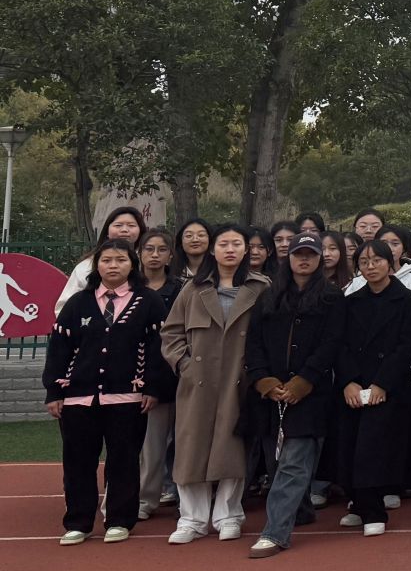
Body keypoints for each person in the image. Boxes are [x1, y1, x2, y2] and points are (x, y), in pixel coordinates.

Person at [43, 241, 170, 544]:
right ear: (97, 265)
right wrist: (54, 391)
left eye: (121, 260)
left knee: (124, 460)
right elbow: (59, 348)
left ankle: (120, 520)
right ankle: (78, 522)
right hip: (78, 397)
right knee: (78, 461)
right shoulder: (78, 303)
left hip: (128, 397)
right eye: (107, 260)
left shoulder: (148, 301)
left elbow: (158, 349)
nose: (113, 266)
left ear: (132, 264)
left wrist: (152, 386)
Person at [160, 225, 267, 542]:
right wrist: (184, 364)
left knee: (232, 448)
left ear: (246, 250)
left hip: (240, 380)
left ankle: (228, 515)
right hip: (198, 382)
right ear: (213, 250)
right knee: (192, 448)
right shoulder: (193, 288)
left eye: (237, 244)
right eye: (224, 244)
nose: (230, 249)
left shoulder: (261, 288)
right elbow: (171, 333)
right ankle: (191, 519)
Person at [244, 234, 344, 557]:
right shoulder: (269, 296)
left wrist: (305, 380)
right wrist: (263, 380)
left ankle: (275, 532)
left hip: (310, 395)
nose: (304, 259)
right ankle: (300, 511)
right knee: (275, 463)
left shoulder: (331, 297)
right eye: (298, 253)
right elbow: (253, 342)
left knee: (293, 464)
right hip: (270, 395)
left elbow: (332, 343)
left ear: (319, 258)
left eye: (310, 254)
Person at [334, 239, 411, 536]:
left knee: (375, 448)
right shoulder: (351, 302)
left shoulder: (407, 300)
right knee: (350, 445)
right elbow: (340, 345)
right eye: (364, 262)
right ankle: (358, 504)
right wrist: (348, 381)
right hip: (354, 385)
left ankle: (374, 509)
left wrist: (381, 383)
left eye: (377, 261)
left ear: (390, 263)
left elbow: (406, 347)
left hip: (388, 386)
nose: (370, 267)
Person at [133, 228, 180, 518]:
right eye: (149, 249)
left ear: (170, 256)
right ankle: (132, 497)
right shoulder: (128, 287)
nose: (154, 255)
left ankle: (153, 498)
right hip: (132, 375)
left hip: (171, 375)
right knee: (135, 445)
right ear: (139, 253)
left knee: (162, 443)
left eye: (161, 249)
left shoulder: (180, 289)